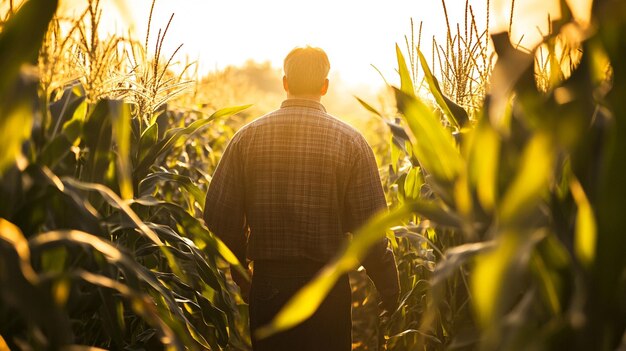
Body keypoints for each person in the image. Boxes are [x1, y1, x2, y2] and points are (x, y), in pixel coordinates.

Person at [203, 46, 400, 351]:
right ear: (325, 86)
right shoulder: (351, 142)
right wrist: (389, 289)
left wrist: (241, 272)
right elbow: (371, 231)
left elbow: (219, 215)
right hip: (327, 289)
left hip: (268, 287)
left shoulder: (247, 138)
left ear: (285, 82)